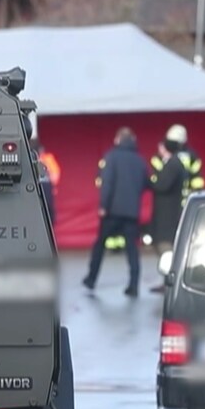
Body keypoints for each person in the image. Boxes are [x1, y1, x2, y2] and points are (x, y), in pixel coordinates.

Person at [83, 127, 148, 297]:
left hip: (112, 210)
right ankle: (133, 285)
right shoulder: (140, 160)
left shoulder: (111, 157)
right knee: (132, 249)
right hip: (132, 212)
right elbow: (145, 183)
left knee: (100, 245)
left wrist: (103, 206)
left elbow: (107, 183)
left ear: (118, 139)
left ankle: (91, 279)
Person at [148, 136, 187, 292]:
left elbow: (162, 185)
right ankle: (167, 281)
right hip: (166, 211)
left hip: (168, 213)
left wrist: (151, 182)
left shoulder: (172, 165)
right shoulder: (173, 164)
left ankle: (170, 281)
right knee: (163, 246)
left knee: (166, 247)